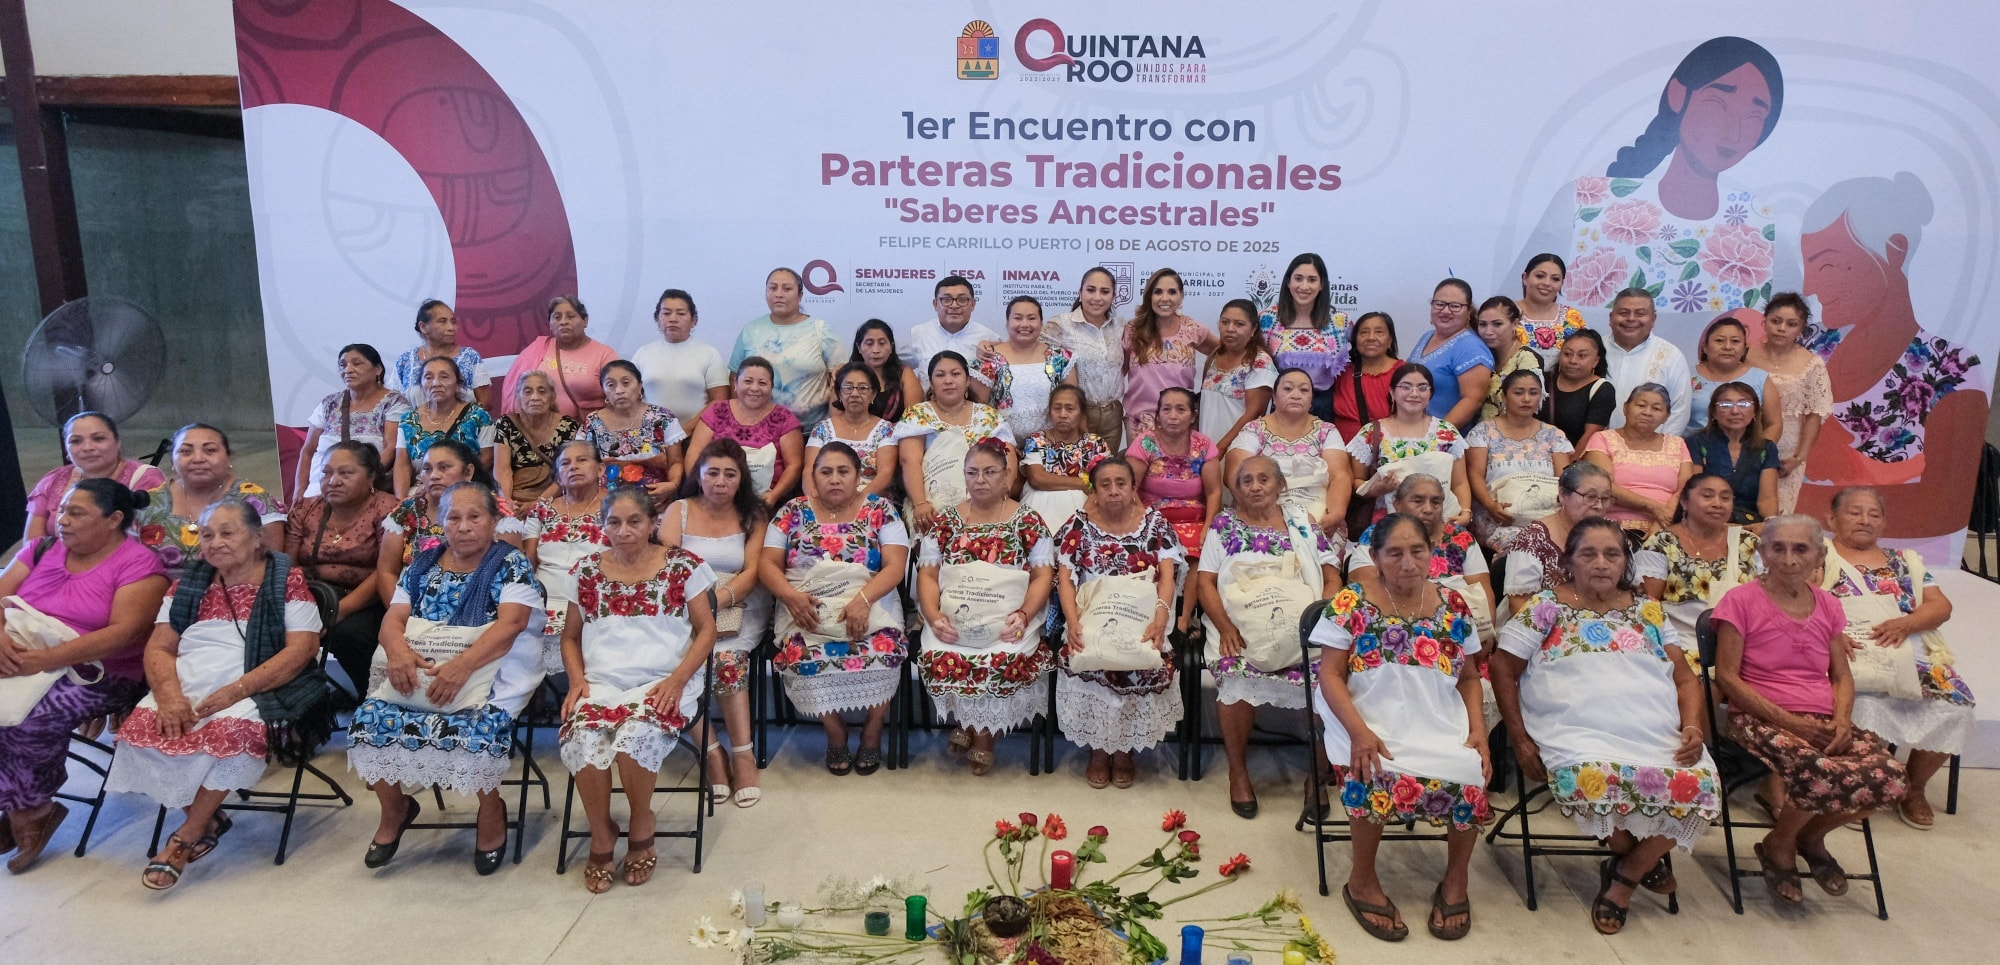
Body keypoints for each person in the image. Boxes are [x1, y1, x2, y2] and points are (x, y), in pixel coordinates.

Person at [1491, 518, 1720, 935]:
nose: (1601, 563)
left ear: (1625, 562)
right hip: (1573, 730)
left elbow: (1686, 680)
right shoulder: (1545, 606)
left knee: (1703, 787)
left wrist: (1693, 726)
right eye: (1589, 553)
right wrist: (1520, 739)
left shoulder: (1649, 610)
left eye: (1612, 554)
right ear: (1569, 561)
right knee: (1588, 778)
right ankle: (1635, 866)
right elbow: (1502, 669)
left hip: (1654, 729)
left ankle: (1626, 871)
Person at [105, 498, 332, 890]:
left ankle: (186, 836)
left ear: (258, 539)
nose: (216, 542)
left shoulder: (286, 580)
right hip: (188, 677)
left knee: (232, 735)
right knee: (137, 734)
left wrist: (236, 691)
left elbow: (302, 650)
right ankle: (209, 818)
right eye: (207, 535)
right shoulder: (188, 583)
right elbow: (159, 647)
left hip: (256, 681)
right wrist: (170, 697)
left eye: (228, 533)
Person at [1517, 38, 1786, 341]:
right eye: (1717, 104)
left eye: (1754, 117)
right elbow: (1511, 309)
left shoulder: (1758, 222)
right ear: (1678, 95)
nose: (1732, 133)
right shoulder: (1585, 201)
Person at [1712, 515, 1907, 907]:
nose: (1789, 559)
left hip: (1822, 719)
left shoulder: (1828, 605)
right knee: (1819, 770)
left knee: (1891, 779)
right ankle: (1781, 846)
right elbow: (1728, 678)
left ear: (1819, 555)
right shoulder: (1740, 601)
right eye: (1778, 548)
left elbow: (1841, 675)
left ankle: (1807, 836)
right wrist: (1791, 722)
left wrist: (1842, 720)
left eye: (1801, 549)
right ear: (1763, 552)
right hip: (1757, 717)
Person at [1311, 512, 1489, 942]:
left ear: (1432, 552)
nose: (1408, 563)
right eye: (1395, 553)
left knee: (1470, 772)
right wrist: (1359, 732)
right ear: (1375, 557)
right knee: (1371, 771)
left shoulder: (1454, 603)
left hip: (1435, 714)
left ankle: (1456, 879)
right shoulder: (1351, 601)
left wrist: (1479, 732)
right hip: (1364, 713)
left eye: (1417, 551)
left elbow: (1468, 678)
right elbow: (1329, 675)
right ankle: (1362, 880)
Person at [351, 482, 544, 875]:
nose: (464, 526)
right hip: (425, 666)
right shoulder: (422, 564)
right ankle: (396, 809)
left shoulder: (511, 564)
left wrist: (462, 666)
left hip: (493, 669)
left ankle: (491, 808)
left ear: (494, 521)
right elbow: (394, 618)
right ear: (441, 522)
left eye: (475, 516)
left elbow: (512, 625)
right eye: (454, 517)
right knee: (366, 723)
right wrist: (398, 653)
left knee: (475, 729)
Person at [1794, 173, 1983, 542]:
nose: (1809, 286)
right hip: (1795, 554)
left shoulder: (1951, 369)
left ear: (1895, 250)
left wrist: (1795, 498)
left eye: (1827, 265)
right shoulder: (1807, 344)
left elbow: (1943, 506)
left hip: (1895, 556)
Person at [0, 479, 167, 873]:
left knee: (29, 718)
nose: (62, 520)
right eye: (61, 510)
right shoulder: (41, 549)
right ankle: (12, 797)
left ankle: (33, 809)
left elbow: (123, 633)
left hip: (100, 672)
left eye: (76, 513)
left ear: (114, 519)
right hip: (25, 653)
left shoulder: (140, 565)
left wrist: (45, 659)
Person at [558, 486, 716, 892]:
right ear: (603, 526)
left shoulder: (684, 566)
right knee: (582, 736)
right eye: (614, 522)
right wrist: (577, 680)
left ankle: (642, 820)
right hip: (602, 681)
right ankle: (601, 831)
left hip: (665, 679)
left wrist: (678, 680)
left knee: (635, 735)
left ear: (652, 524)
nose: (623, 530)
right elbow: (570, 637)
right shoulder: (585, 570)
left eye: (634, 521)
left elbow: (707, 630)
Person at [1195, 455, 1342, 817]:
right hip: (1237, 625)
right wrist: (1226, 627)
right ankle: (1238, 772)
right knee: (1235, 673)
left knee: (1330, 677)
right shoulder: (1224, 525)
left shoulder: (1302, 522)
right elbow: (1205, 582)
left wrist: (1320, 616)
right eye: (1246, 481)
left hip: (1303, 623)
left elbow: (1331, 575)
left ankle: (1316, 775)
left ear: (1280, 485)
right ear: (1236, 490)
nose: (1256, 486)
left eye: (1264, 479)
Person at [1822, 487, 1972, 831]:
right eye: (1854, 512)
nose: (1865, 520)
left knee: (1956, 703)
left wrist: (1907, 623)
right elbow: (1799, 600)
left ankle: (1912, 788)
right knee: (1857, 697)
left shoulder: (1905, 560)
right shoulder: (1818, 556)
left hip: (1909, 651)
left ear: (1884, 523)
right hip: (1846, 652)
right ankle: (1859, 784)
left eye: (1874, 514)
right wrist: (1829, 633)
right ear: (1831, 519)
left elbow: (1940, 606)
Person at [761, 444, 910, 776]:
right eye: (825, 472)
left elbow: (895, 567)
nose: (835, 479)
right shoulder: (791, 511)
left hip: (870, 600)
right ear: (813, 477)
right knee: (799, 656)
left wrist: (862, 601)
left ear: (858, 477)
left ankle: (873, 728)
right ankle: (835, 730)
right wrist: (790, 597)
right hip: (804, 605)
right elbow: (767, 564)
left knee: (887, 650)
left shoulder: (880, 509)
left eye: (843, 471)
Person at [915, 438, 1056, 775]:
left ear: (1007, 477)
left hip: (1012, 616)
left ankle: (983, 735)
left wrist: (1024, 615)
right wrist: (934, 616)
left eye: (990, 472)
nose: (980, 480)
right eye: (972, 472)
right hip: (955, 617)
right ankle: (970, 722)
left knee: (1000, 655)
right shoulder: (946, 521)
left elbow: (1043, 576)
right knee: (945, 652)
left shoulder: (1028, 521)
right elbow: (928, 575)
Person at [1052, 457, 1184, 790]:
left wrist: (1161, 617)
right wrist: (1072, 621)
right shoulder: (1078, 524)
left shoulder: (1155, 523)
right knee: (1089, 650)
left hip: (1144, 612)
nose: (1113, 490)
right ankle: (1098, 749)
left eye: (1121, 483)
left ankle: (1124, 749)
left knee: (1141, 653)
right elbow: (1065, 579)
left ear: (1133, 487)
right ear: (1094, 491)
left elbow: (1168, 576)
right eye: (1105, 484)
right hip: (1092, 612)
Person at [663, 440, 771, 808]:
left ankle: (743, 755)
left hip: (738, 606)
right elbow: (667, 568)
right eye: (712, 473)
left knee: (725, 662)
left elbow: (753, 571)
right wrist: (697, 606)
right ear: (699, 475)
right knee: (671, 663)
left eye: (730, 474)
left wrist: (716, 601)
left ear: (741, 479)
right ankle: (711, 752)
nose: (720, 481)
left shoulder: (754, 515)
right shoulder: (678, 510)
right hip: (682, 607)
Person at [281, 441, 399, 699]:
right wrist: (304, 609)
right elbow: (288, 565)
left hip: (366, 598)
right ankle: (302, 702)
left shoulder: (388, 509)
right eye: (326, 473)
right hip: (311, 594)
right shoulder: (306, 507)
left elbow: (386, 570)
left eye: (345, 473)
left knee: (349, 634)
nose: (333, 481)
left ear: (370, 477)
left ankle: (371, 698)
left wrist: (336, 612)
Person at [377, 439, 525, 604]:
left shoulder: (497, 511)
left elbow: (512, 573)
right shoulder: (405, 511)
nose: (434, 476)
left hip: (482, 605)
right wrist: (402, 613)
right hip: (411, 606)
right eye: (427, 469)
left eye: (444, 467)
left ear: (468, 472)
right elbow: (387, 572)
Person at [1348, 475, 1496, 637]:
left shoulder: (1461, 538)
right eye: (1418, 501)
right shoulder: (1375, 536)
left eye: (1436, 502)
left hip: (1459, 630)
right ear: (1397, 504)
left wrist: (1483, 635)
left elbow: (1483, 597)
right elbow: (1364, 592)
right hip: (1391, 630)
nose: (1428, 509)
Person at [1637, 473, 1763, 646]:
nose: (1717, 504)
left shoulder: (1749, 543)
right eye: (1707, 496)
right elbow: (1647, 607)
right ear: (1684, 502)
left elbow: (1768, 601)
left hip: (1741, 648)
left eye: (1725, 498)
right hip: (1678, 647)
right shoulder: (1661, 543)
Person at [895, 352, 1014, 534]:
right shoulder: (918, 414)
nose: (948, 380)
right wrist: (920, 503)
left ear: (967, 381)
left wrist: (1001, 496)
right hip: (932, 502)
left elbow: (1008, 457)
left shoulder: (988, 416)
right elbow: (909, 461)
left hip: (986, 497)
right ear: (931, 383)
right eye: (940, 375)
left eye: (955, 374)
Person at [134, 424, 281, 569]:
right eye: (185, 451)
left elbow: (272, 567)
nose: (198, 459)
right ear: (172, 460)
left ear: (228, 458)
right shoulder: (148, 502)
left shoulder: (256, 502)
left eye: (210, 450)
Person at [1227, 368, 1353, 533]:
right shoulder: (1254, 429)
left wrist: (1335, 514)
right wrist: (1261, 514)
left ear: (1311, 399)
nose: (1296, 395)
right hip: (1260, 513)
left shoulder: (1327, 431)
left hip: (1319, 517)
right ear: (1274, 397)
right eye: (1287, 388)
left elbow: (1340, 476)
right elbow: (1235, 474)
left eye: (1304, 390)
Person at [522, 441, 609, 674]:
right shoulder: (541, 511)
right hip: (545, 604)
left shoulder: (617, 508)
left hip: (597, 603)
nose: (573, 467)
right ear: (558, 476)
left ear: (600, 469)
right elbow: (528, 563)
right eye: (565, 463)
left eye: (582, 460)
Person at [1346, 364, 1470, 524]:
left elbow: (1459, 483)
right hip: (1388, 523)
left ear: (1430, 393)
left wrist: (1465, 512)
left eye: (1422, 388)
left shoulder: (1446, 432)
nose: (1414, 394)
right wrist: (1375, 489)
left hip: (1440, 521)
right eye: (1406, 387)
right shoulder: (1372, 432)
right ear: (1392, 392)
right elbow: (1356, 480)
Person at [1466, 370, 1574, 552]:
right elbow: (1474, 474)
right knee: (1522, 547)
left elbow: (1564, 481)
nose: (1526, 399)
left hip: (1545, 517)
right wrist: (1491, 506)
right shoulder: (1483, 432)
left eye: (1533, 393)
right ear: (1504, 396)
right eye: (1518, 392)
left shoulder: (1554, 435)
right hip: (1497, 517)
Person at [1748, 292, 1832, 515]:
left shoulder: (1812, 365)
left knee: (1777, 517)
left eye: (1791, 324)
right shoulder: (1745, 357)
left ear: (1801, 328)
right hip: (1745, 444)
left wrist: (1799, 458)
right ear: (1764, 322)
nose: (1782, 328)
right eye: (1776, 321)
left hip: (1787, 454)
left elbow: (1814, 415)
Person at [23, 411, 165, 542]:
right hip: (56, 561)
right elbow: (33, 546)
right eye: (76, 441)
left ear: (117, 443)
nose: (87, 447)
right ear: (67, 449)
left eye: (98, 439)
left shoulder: (146, 479)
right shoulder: (53, 480)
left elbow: (156, 541)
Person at [292, 344, 406, 504]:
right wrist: (298, 494)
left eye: (357, 363)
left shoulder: (393, 403)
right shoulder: (329, 403)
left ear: (378, 369)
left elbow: (391, 448)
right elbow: (307, 452)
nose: (348, 370)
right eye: (342, 365)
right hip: (319, 488)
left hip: (364, 488)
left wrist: (361, 481)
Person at [686, 358, 805, 510]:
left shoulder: (784, 418)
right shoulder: (717, 411)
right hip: (713, 498)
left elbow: (794, 465)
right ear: (735, 383)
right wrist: (702, 488)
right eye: (748, 381)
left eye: (762, 383)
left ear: (771, 387)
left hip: (766, 502)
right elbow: (694, 452)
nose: (754, 388)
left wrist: (773, 496)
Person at [729, 268, 841, 428]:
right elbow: (735, 377)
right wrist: (739, 422)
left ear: (800, 295)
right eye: (773, 288)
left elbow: (839, 381)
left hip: (813, 431)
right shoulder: (751, 330)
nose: (779, 294)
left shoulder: (821, 330)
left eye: (787, 289)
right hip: (759, 430)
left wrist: (835, 428)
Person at [1125, 388, 1222, 570]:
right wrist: (1145, 524)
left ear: (1193, 416)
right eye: (1166, 409)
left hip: (1195, 521)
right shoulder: (1145, 443)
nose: (1173, 416)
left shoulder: (1204, 445)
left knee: (1200, 559)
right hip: (1151, 520)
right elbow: (1129, 487)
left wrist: (1208, 528)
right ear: (1158, 416)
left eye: (1181, 409)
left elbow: (1214, 492)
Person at [1583, 383, 1695, 537]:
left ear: (1666, 417)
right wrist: (1654, 508)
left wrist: (1663, 522)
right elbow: (1604, 486)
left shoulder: (1678, 444)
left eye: (1656, 409)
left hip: (1667, 525)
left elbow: (1687, 488)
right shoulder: (1602, 439)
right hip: (1613, 528)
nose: (1647, 412)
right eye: (1641, 405)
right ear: (1625, 408)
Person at [1502, 462, 1616, 610]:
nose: (1599, 506)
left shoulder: (1615, 535)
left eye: (1605, 498)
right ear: (1562, 495)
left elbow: (1630, 591)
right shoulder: (1532, 539)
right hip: (1546, 621)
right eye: (1590, 497)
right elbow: (1519, 603)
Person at [1122, 268, 1219, 438]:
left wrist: (1209, 389)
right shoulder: (1133, 330)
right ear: (1149, 296)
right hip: (1140, 422)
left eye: (1172, 292)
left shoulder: (1192, 329)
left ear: (1181, 296)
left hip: (1178, 421)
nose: (1165, 298)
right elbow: (1119, 370)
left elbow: (1226, 353)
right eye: (1158, 292)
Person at [1040, 266, 1129, 443]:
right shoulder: (1060, 325)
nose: (1097, 297)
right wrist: (990, 345)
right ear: (1080, 293)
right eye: (1091, 290)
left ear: (1113, 297)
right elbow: (1026, 345)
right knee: (1077, 460)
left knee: (1109, 461)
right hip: (1076, 414)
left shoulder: (1121, 327)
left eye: (1105, 291)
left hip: (1113, 415)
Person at [972, 295, 1076, 441]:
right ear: (1007, 323)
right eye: (1018, 318)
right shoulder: (989, 358)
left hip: (1051, 444)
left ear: (1041, 324)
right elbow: (978, 409)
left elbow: (1073, 403)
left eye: (1031, 318)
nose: (1025, 324)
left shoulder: (1061, 357)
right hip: (1002, 444)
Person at [1259, 253, 1349, 421]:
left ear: (1322, 285)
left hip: (1324, 406)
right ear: (1288, 282)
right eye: (1298, 278)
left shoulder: (1339, 321)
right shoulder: (1267, 319)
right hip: (1282, 404)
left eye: (1312, 280)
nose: (1304, 286)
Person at [499, 295, 620, 420]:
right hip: (539, 428)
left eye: (570, 316)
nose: (563, 322)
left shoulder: (604, 355)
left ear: (585, 321)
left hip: (587, 429)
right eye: (557, 317)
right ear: (550, 324)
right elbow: (514, 389)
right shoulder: (537, 348)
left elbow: (618, 396)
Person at [587, 359, 688, 505]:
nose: (619, 390)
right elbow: (585, 465)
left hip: (654, 501)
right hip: (605, 504)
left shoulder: (662, 417)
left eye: (626, 383)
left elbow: (675, 462)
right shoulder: (593, 422)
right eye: (610, 385)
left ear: (640, 385)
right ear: (603, 390)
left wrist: (672, 485)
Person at [392, 356, 496, 497]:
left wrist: (444, 484)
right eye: (428, 377)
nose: (436, 383)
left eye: (444, 377)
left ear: (458, 384)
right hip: (421, 492)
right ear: (421, 385)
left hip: (467, 490)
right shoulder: (408, 420)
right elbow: (402, 465)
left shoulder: (478, 416)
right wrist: (402, 502)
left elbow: (487, 458)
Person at [630, 288, 729, 433]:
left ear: (694, 320)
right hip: (650, 435)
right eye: (666, 313)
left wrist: (684, 431)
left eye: (681, 313)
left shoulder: (709, 354)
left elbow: (719, 401)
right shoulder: (642, 353)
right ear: (657, 318)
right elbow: (631, 397)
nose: (673, 319)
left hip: (696, 434)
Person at [1020, 384, 1112, 533]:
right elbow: (1037, 478)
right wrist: (1081, 483)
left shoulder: (1095, 443)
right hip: (1039, 509)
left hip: (1082, 512)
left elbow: (1104, 482)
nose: (1062, 414)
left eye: (1070, 409)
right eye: (1057, 408)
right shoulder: (1036, 440)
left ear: (1082, 413)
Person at [1685, 382, 1779, 523]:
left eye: (1744, 404)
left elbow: (1767, 499)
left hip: (1749, 523)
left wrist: (1769, 525)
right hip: (1706, 520)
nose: (1735, 411)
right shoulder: (1696, 442)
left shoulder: (1766, 448)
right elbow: (1695, 493)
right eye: (1726, 405)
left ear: (1755, 412)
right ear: (1713, 412)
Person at [1602, 290, 1692, 436]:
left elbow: (1679, 411)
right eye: (1624, 313)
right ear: (1611, 317)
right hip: (1594, 446)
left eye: (1640, 314)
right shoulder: (1595, 350)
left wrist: (1659, 447)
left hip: (1651, 448)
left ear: (1653, 318)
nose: (1631, 319)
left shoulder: (1671, 356)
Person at [1405, 279, 1490, 430]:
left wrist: (1436, 436)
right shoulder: (1427, 336)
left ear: (1469, 311)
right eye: (1439, 304)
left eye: (1455, 306)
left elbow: (1472, 400)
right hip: (1412, 432)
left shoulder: (1471, 347)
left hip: (1442, 439)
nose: (1445, 311)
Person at [805, 362, 899, 500]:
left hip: (870, 501)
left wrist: (855, 503)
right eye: (848, 388)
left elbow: (885, 474)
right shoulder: (821, 429)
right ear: (839, 393)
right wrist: (816, 500)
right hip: (825, 500)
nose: (855, 394)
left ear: (873, 394)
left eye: (863, 388)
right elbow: (809, 471)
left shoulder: (885, 430)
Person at [492, 370, 582, 510]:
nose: (535, 397)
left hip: (555, 498)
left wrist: (538, 504)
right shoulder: (506, 424)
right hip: (517, 497)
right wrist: (507, 502)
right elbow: (502, 469)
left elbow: (566, 472)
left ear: (552, 397)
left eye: (542, 391)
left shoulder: (568, 426)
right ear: (518, 397)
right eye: (527, 392)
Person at [1201, 298, 1278, 452]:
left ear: (1254, 329)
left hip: (1239, 450)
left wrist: (1220, 449)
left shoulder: (1260, 362)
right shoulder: (1215, 355)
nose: (1230, 329)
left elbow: (1254, 414)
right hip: (1207, 447)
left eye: (1239, 324)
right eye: (1225, 322)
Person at [903, 275, 1000, 393]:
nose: (954, 305)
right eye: (946, 299)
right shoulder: (918, 334)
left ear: (973, 304)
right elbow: (891, 366)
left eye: (962, 300)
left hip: (975, 404)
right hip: (928, 404)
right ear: (935, 304)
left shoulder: (989, 338)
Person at [1687, 314, 1781, 437]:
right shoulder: (1686, 376)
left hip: (1747, 448)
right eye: (1719, 341)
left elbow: (1774, 424)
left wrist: (1760, 449)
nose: (1727, 347)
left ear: (1744, 349)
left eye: (1735, 341)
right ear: (1705, 347)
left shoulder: (1760, 378)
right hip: (1692, 448)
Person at [394, 299, 489, 408]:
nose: (451, 328)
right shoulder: (405, 361)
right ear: (423, 327)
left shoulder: (470, 357)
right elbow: (394, 405)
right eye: (442, 321)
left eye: (453, 322)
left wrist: (464, 418)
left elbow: (485, 401)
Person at [1330, 311, 1399, 442]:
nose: (1371, 338)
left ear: (1390, 341)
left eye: (1379, 332)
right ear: (1355, 340)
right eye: (1364, 332)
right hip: (1341, 445)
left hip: (1385, 445)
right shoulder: (1341, 370)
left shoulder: (1403, 373)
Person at [1474, 297, 1543, 423]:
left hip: (1515, 430)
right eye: (1483, 324)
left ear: (1515, 323)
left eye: (1497, 324)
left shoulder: (1527, 359)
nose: (1488, 332)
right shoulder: (1482, 354)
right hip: (1481, 430)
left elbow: (1528, 407)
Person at [1545, 329, 1617, 449]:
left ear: (1595, 361)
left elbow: (1590, 437)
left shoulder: (1602, 390)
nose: (1573, 360)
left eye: (1582, 356)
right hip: (1533, 454)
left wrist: (1570, 461)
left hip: (1574, 455)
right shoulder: (1542, 380)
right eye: (1567, 354)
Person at [1514, 254, 1588, 369]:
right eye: (1540, 276)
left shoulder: (1572, 317)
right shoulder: (1506, 313)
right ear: (1525, 278)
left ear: (1562, 283)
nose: (1547, 283)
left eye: (1555, 279)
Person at [849, 319, 923, 425]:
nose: (876, 350)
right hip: (855, 433)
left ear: (891, 347)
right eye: (869, 344)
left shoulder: (904, 374)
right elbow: (837, 420)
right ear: (859, 347)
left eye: (882, 343)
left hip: (898, 433)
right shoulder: (846, 377)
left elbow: (913, 419)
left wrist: (884, 431)